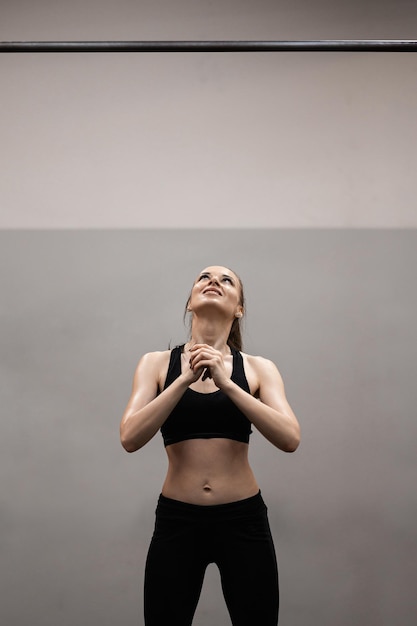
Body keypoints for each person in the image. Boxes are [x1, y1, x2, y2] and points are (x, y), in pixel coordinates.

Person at [120, 265, 300, 626]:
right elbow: (130, 437)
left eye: (226, 280)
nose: (213, 281)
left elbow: (289, 437)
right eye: (204, 277)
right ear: (190, 302)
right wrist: (184, 379)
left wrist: (228, 383)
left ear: (239, 309)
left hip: (243, 519)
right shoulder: (156, 363)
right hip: (178, 520)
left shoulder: (258, 368)